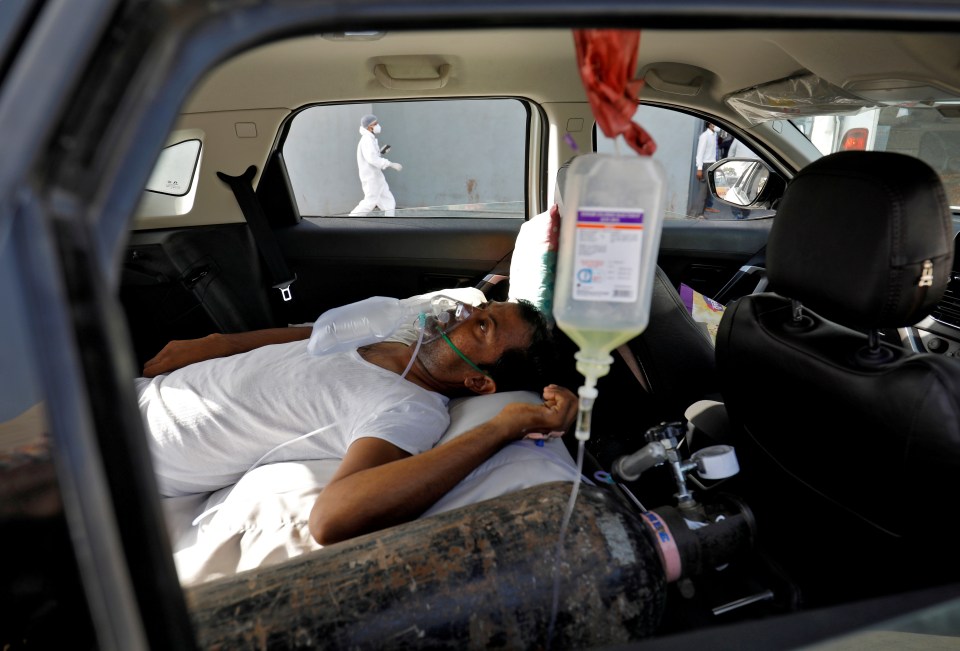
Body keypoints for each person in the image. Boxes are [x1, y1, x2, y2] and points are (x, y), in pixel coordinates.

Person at [137, 296, 577, 546]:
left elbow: (333, 517)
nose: (461, 314)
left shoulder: (407, 408)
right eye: (480, 309)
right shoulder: (386, 338)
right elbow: (309, 339)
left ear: (478, 383)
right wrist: (219, 342)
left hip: (124, 454)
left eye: (482, 328)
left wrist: (503, 426)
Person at [350, 114, 402, 216]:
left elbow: (373, 156)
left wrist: (381, 152)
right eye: (375, 124)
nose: (378, 126)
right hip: (371, 177)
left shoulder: (370, 138)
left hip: (376, 177)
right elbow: (372, 159)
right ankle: (351, 219)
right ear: (369, 127)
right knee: (370, 201)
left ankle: (391, 222)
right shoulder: (367, 139)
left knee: (388, 201)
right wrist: (390, 164)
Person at [694, 122, 720, 217]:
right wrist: (699, 168)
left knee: (709, 192)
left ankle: (703, 212)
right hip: (705, 165)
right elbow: (700, 153)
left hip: (712, 164)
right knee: (703, 191)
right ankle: (698, 214)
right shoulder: (704, 136)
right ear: (710, 125)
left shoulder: (714, 135)